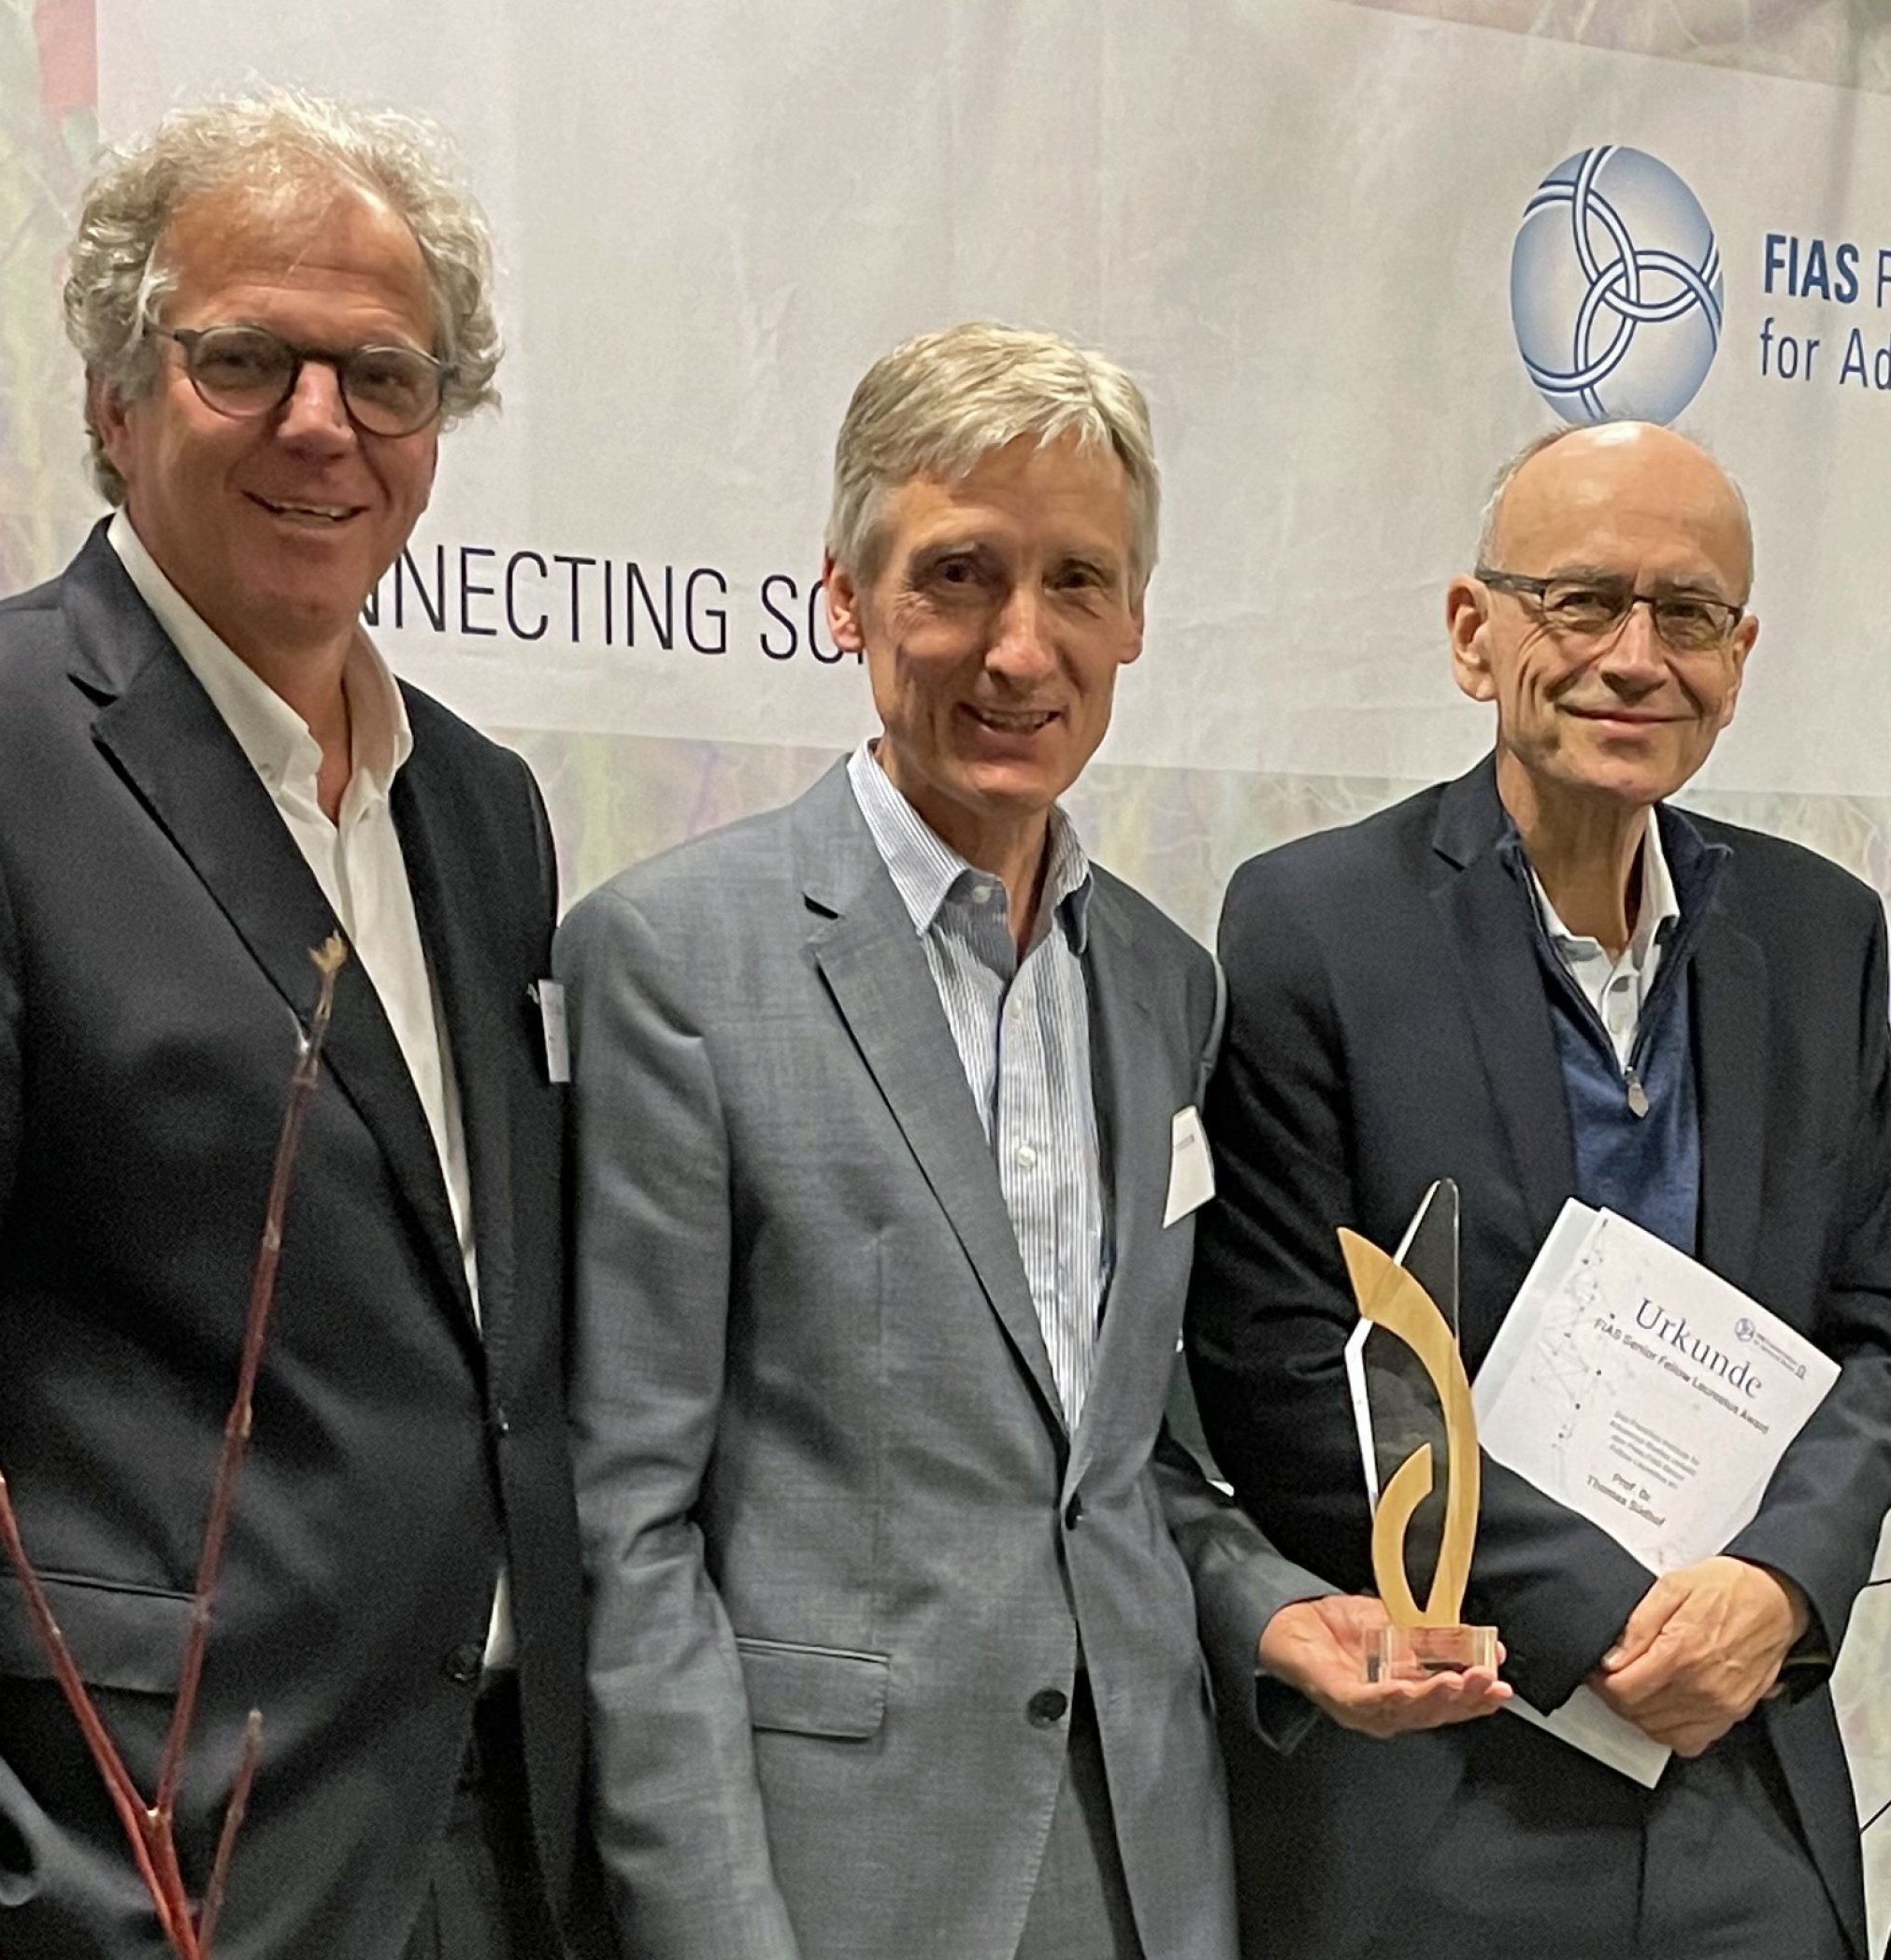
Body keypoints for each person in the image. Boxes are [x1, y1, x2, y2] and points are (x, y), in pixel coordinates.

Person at [0, 92, 601, 1960]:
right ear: (115, 400)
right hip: (113, 1872)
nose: (322, 420)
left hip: (481, 1852)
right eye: (244, 357)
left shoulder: (479, 811)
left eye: (384, 374)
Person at [556, 322, 1504, 1960]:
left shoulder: (1163, 982)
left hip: (1148, 1866)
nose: (1019, 648)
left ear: (1135, 617)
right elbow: (631, 1529)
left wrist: (1282, 1614)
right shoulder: (671, 959)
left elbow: (1126, 1468)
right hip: (835, 1884)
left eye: (1076, 581)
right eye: (958, 576)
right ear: (846, 598)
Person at [1186, 420, 1891, 1960]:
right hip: (1447, 1777)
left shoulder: (1824, 935)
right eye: (1581, 602)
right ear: (1472, 629)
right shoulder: (1317, 927)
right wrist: (1611, 1621)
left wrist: (1778, 1587)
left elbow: (1876, 1326)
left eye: (1688, 614)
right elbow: (1285, 1364)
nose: (1636, 657)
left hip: (1747, 1793)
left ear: (1742, 652)